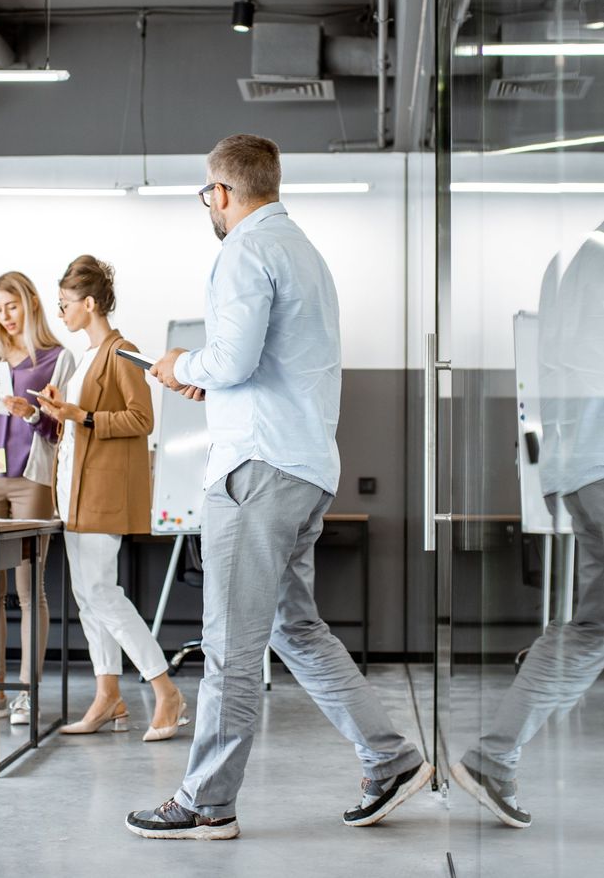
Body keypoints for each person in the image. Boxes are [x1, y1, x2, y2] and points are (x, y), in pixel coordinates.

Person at [126, 134, 430, 840]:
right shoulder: (301, 251)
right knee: (293, 628)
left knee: (231, 641)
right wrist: (212, 379)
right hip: (299, 465)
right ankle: (388, 758)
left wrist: (179, 364)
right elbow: (263, 365)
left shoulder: (240, 250)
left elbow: (229, 357)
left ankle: (207, 799)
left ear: (222, 193)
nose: (209, 203)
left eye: (208, 192)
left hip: (256, 472)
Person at [451, 223, 604, 828]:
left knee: (592, 630)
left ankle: (495, 756)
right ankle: (494, 756)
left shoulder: (568, 260)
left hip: (575, 465)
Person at [34, 255, 186, 741]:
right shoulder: (82, 360)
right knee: (87, 597)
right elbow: (81, 424)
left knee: (101, 592)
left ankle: (165, 689)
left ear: (91, 303)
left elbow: (142, 420)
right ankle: (108, 695)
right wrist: (60, 412)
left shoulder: (124, 352)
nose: (61, 312)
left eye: (65, 303)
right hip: (74, 493)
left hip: (102, 495)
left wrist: (82, 415)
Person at [0, 271, 75, 725]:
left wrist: (30, 416)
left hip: (32, 480)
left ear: (30, 303)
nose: (5, 316)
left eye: (11, 306)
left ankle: (27, 691)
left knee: (29, 589)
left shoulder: (57, 359)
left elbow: (59, 430)